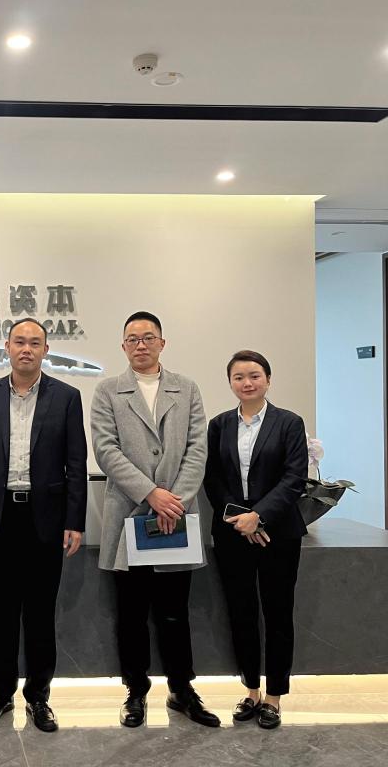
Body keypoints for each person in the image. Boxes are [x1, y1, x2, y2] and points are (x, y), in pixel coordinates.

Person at [90, 311, 220, 729]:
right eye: (133, 339)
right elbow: (106, 449)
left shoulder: (187, 388)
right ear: (123, 346)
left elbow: (197, 448)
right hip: (130, 515)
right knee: (131, 615)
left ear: (162, 343)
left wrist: (173, 501)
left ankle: (182, 689)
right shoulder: (108, 390)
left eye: (148, 337)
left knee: (174, 612)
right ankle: (135, 691)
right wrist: (150, 494)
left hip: (174, 517)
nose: (141, 344)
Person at [0, 318, 87, 732]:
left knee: (40, 613)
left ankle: (39, 696)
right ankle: (1, 692)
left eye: (34, 343)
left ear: (45, 350)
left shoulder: (67, 396)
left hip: (46, 518)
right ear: (6, 347)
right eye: (19, 342)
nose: (26, 349)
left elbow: (76, 462)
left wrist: (74, 520)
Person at [204, 350, 308, 730]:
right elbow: (212, 477)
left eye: (254, 375)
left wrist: (259, 516)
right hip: (233, 534)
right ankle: (250, 690)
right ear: (230, 382)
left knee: (278, 613)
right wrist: (240, 519)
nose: (247, 383)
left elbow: (294, 478)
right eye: (238, 377)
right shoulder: (218, 425)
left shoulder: (289, 423)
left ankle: (275, 696)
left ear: (268, 380)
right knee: (241, 612)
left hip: (278, 534)